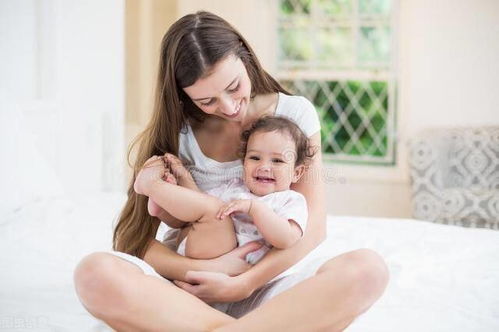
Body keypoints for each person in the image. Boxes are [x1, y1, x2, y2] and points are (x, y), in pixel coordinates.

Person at [73, 11, 389, 331]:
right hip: (186, 293)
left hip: (268, 286)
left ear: (243, 53)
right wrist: (207, 269)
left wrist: (244, 284)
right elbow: (134, 240)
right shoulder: (177, 131)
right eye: (207, 101)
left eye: (234, 86)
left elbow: (313, 228)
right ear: (184, 96)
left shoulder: (294, 114)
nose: (228, 107)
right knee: (94, 274)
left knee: (367, 270)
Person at [140, 116, 314, 266]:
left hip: (227, 262)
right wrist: (183, 179)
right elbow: (198, 204)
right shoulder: (235, 187)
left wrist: (255, 209)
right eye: (255, 158)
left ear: (296, 172)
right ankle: (161, 207)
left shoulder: (290, 200)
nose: (264, 167)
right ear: (244, 163)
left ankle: (153, 187)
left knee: (214, 210)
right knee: (199, 211)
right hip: (201, 249)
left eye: (277, 161)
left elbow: (286, 239)